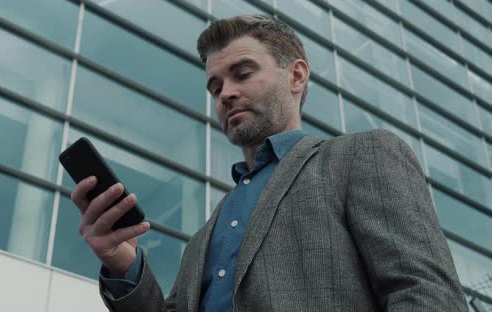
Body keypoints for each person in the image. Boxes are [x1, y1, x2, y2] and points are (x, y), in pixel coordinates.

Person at [70, 14, 468, 312]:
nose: (225, 93)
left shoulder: (360, 156)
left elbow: (425, 294)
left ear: (296, 76)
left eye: (242, 73)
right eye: (215, 86)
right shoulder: (204, 238)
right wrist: (124, 265)